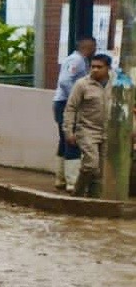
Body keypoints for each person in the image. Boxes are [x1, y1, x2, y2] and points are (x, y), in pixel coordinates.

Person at [63, 52, 112, 198]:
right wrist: (68, 131)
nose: (95, 70)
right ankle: (77, 194)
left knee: (100, 170)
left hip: (108, 131)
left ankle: (92, 200)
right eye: (93, 66)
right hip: (87, 130)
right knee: (91, 163)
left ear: (108, 68)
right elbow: (70, 107)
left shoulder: (117, 83)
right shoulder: (82, 84)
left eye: (99, 67)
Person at [53, 35, 96, 191]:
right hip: (65, 103)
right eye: (94, 47)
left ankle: (61, 178)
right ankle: (72, 182)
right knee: (73, 139)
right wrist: (76, 98)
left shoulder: (76, 59)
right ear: (88, 47)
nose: (95, 50)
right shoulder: (77, 60)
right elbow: (65, 81)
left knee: (64, 139)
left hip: (62, 102)